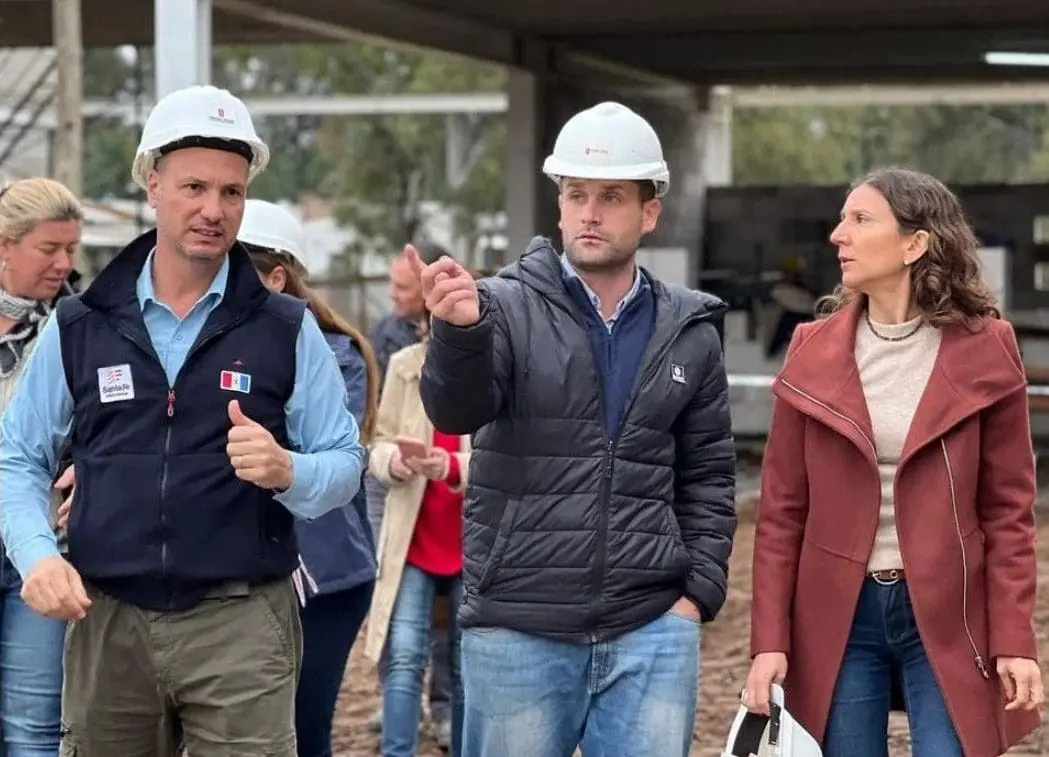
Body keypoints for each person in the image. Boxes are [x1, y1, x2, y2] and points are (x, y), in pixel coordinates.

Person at [0, 84, 364, 757]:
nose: (213, 209)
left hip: (242, 621)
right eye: (194, 186)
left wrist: (289, 469)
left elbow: (344, 462)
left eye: (231, 192)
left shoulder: (285, 328)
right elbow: (17, 456)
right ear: (152, 185)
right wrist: (36, 554)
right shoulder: (81, 325)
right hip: (106, 619)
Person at [411, 101, 737, 757]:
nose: (588, 212)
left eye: (611, 196)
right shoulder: (497, 305)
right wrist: (457, 334)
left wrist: (694, 596)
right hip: (517, 626)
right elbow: (454, 412)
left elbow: (708, 474)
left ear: (649, 211)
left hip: (651, 627)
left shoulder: (689, 330)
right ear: (558, 204)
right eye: (575, 194)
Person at [744, 167, 1044, 757]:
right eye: (842, 219)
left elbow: (1009, 511)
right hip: (837, 616)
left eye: (859, 219)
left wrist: (1015, 639)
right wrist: (769, 642)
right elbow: (781, 514)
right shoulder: (812, 350)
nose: (838, 235)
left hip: (950, 612)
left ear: (915, 243)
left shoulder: (988, 348)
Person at [239, 198, 380, 757]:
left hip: (326, 578)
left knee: (301, 727)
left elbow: (314, 453)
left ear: (277, 277)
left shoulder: (339, 356)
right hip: (244, 572)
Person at [364, 290, 470, 757]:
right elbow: (379, 442)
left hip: (475, 539)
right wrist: (395, 464)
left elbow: (507, 459)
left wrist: (450, 467)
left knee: (469, 662)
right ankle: (397, 751)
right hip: (415, 536)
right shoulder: (406, 366)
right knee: (406, 656)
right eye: (437, 319)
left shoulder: (494, 370)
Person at [0, 177, 82, 756]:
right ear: (5, 246)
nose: (63, 263)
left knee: (35, 724)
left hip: (40, 550)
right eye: (48, 249)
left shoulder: (80, 327)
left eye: (72, 249)